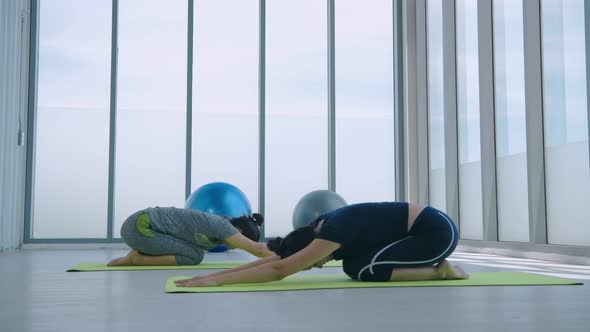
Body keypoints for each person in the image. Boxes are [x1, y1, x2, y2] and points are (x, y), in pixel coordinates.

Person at [174, 202, 469, 287]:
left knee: (365, 271)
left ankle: (441, 271)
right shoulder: (321, 226)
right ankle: (436, 269)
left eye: (314, 259)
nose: (319, 263)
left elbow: (281, 270)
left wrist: (216, 283)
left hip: (434, 235)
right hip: (415, 231)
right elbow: (277, 261)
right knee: (354, 267)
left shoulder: (331, 232)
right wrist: (214, 275)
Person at [108, 206, 274, 266]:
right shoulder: (222, 226)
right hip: (140, 227)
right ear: (240, 232)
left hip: (144, 231)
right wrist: (291, 256)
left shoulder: (217, 235)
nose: (238, 245)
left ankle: (140, 254)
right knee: (194, 256)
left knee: (194, 252)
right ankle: (136, 259)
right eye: (242, 241)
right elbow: (257, 249)